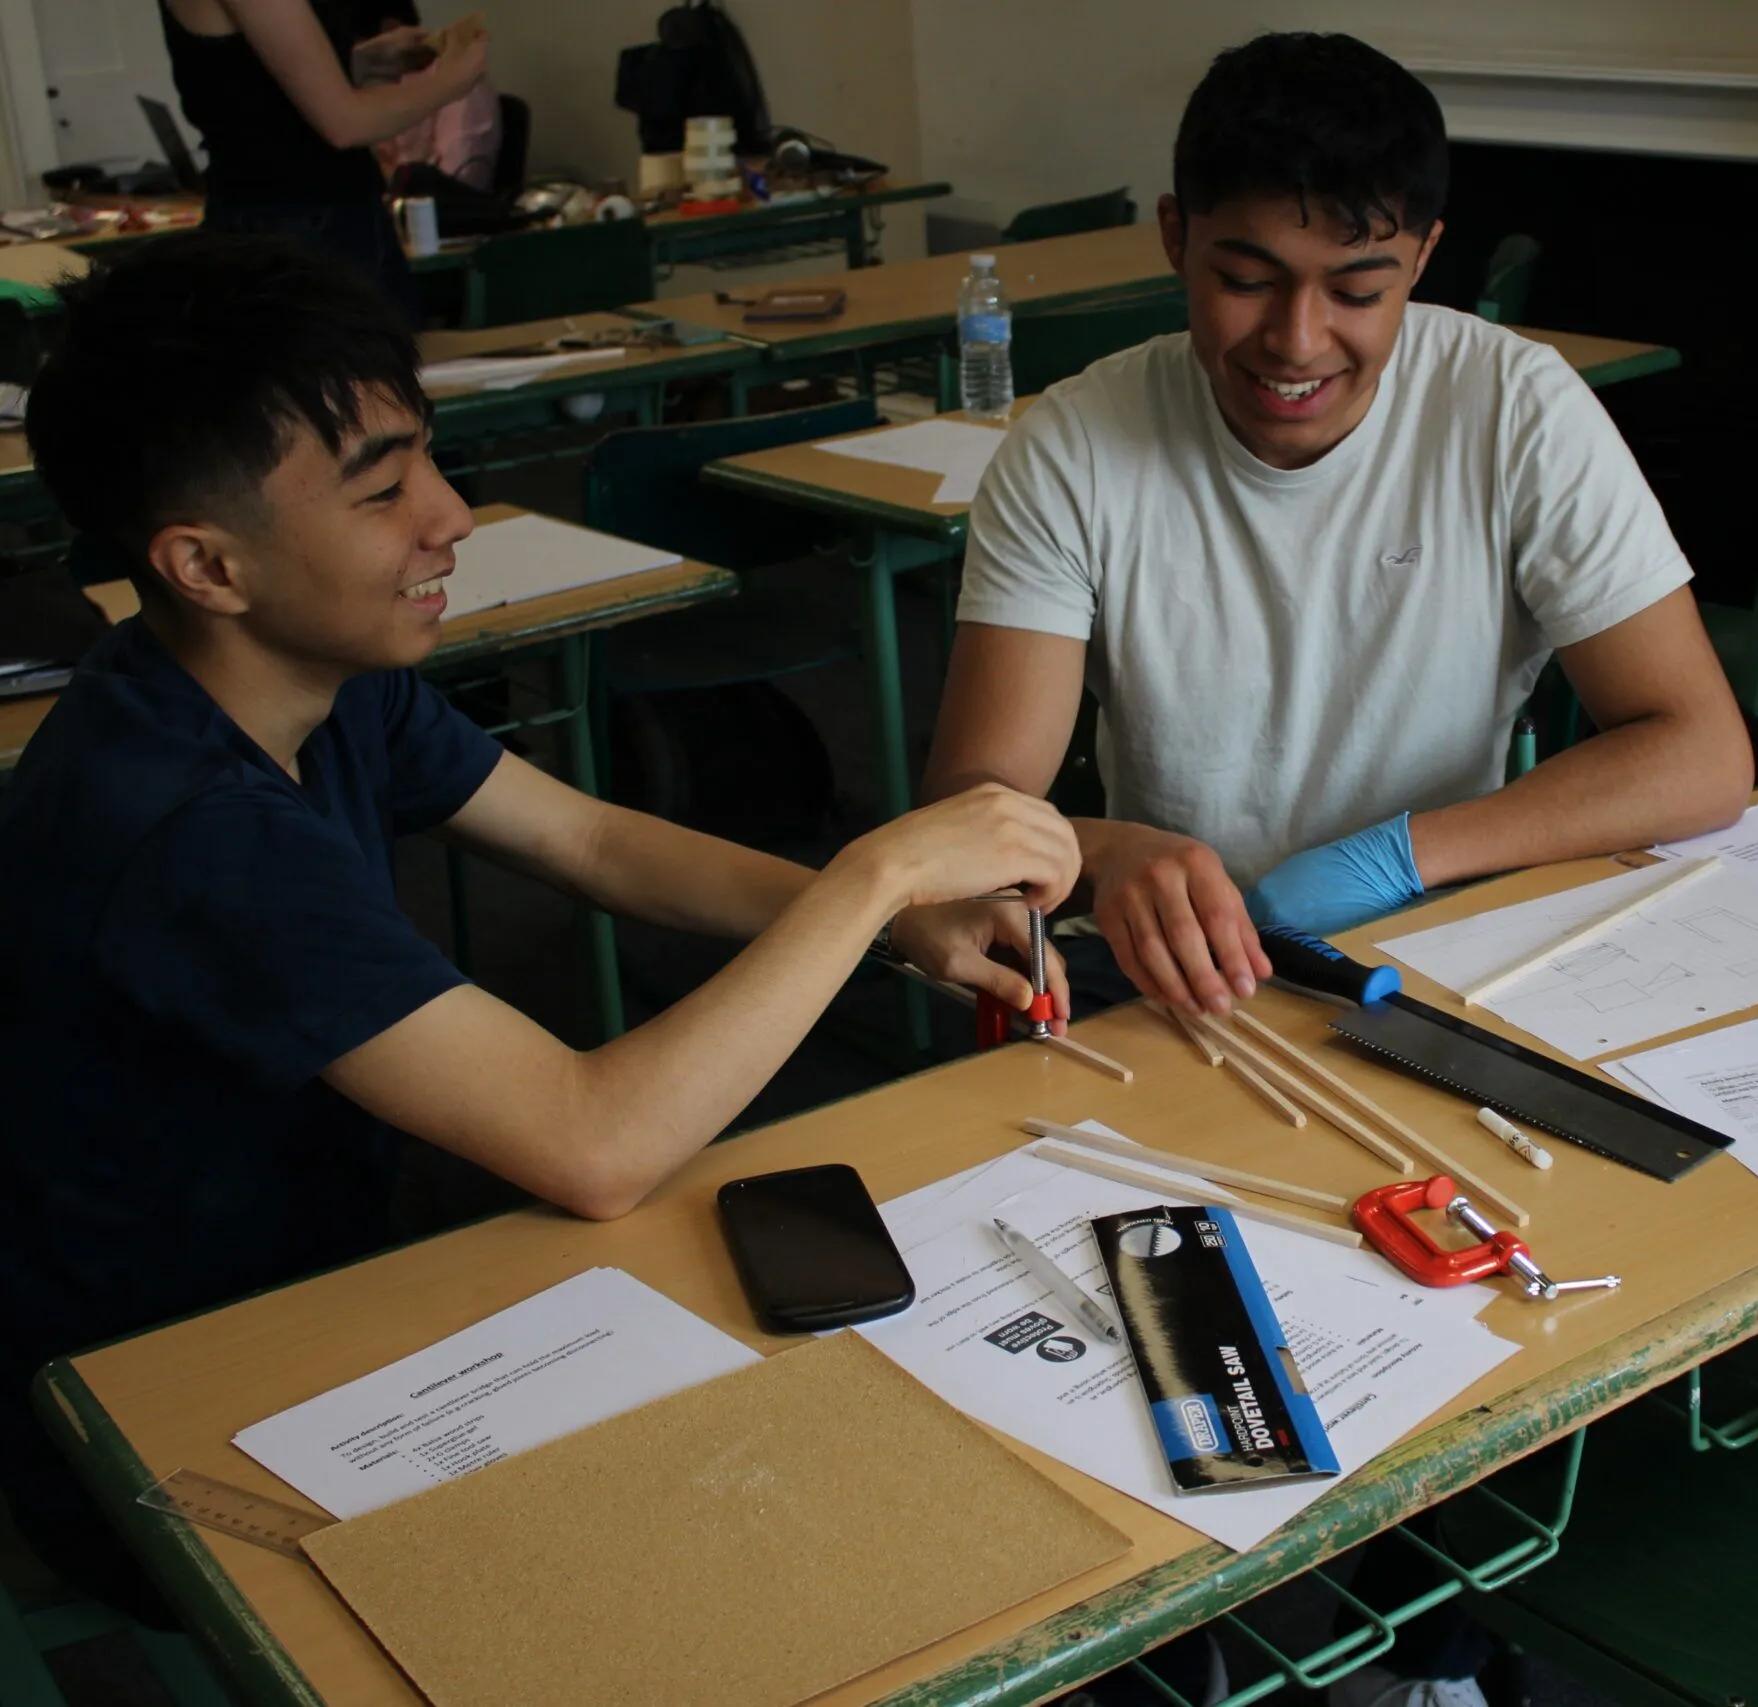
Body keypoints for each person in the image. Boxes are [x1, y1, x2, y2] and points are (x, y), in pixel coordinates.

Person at [0, 232, 1077, 1613]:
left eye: (428, 459)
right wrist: (875, 876)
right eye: (383, 489)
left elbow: (589, 838)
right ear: (208, 564)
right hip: (166, 1398)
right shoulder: (185, 828)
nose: (449, 515)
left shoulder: (297, 668)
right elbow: (592, 1140)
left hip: (332, 1255)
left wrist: (893, 922)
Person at [923, 31, 1752, 1023]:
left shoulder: (1511, 407)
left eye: (1359, 291)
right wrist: (1101, 853)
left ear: (1425, 258)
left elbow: (1701, 754)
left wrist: (1400, 856)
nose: (1297, 342)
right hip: (1170, 975)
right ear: (1176, 237)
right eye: (1245, 280)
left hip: (1436, 946)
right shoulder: (1073, 449)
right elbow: (968, 811)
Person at [159, 0, 489, 310]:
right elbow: (344, 124)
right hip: (303, 226)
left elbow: (246, 82)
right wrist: (452, 80)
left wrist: (363, 60)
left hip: (274, 217)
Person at [368, 1, 502, 191]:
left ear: (391, 30)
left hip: (440, 212)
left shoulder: (461, 81)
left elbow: (455, 185)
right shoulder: (381, 82)